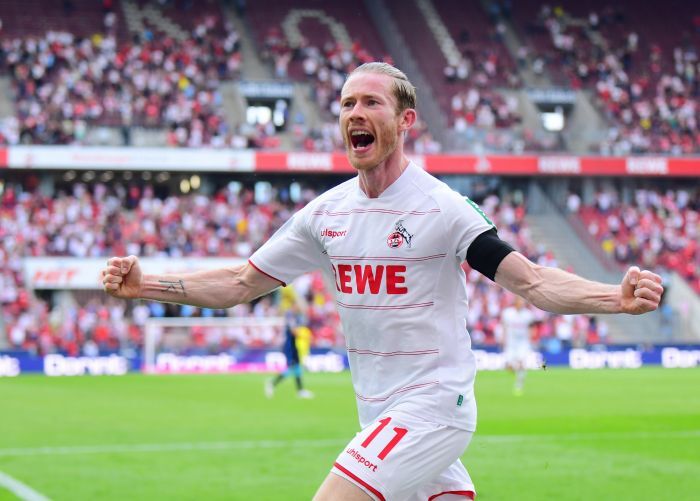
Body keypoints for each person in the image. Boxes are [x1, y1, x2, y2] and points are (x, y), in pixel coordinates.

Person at [101, 62, 664, 501]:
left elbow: (532, 282)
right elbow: (239, 283)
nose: (355, 113)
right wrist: (147, 285)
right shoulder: (325, 215)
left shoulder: (443, 208)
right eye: (347, 103)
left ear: (405, 121)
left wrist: (613, 299)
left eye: (371, 102)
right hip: (377, 411)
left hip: (433, 406)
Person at [265, 301, 314, 399]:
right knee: (292, 367)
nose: (298, 308)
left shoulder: (296, 316)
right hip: (290, 346)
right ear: (293, 305)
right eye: (297, 306)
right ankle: (273, 383)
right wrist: (304, 335)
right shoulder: (290, 315)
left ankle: (300, 391)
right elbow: (294, 331)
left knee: (297, 367)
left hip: (294, 345)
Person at [499, 295, 535, 395]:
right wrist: (502, 338)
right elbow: (504, 326)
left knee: (521, 363)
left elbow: (531, 327)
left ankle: (519, 385)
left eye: (523, 302)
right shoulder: (507, 313)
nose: (521, 303)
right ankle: (515, 368)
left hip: (523, 343)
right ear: (515, 302)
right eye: (520, 301)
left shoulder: (528, 314)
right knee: (509, 367)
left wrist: (532, 337)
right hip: (511, 343)